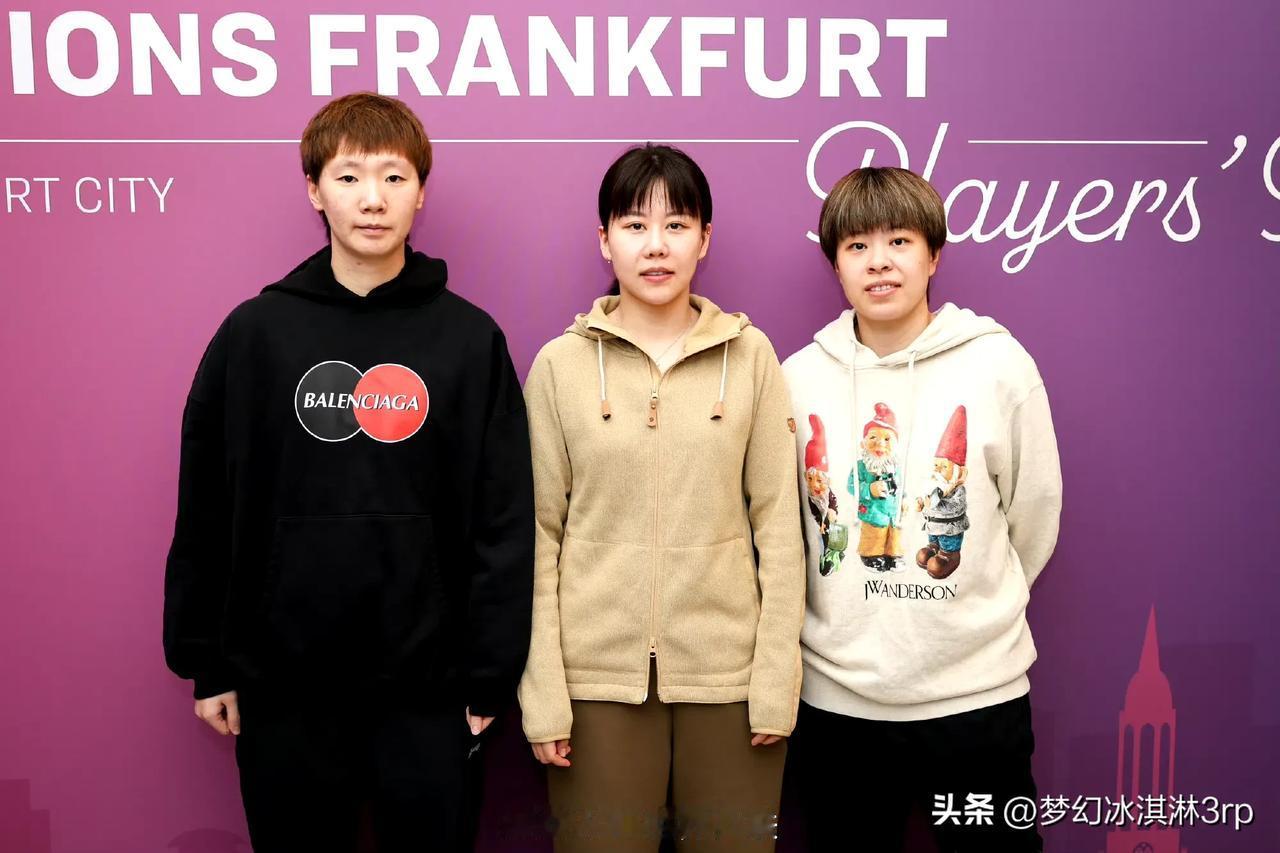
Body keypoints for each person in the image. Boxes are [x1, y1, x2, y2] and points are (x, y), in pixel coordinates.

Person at [162, 92, 534, 852]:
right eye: (349, 176)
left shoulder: (470, 340)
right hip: (283, 682)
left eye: (394, 177)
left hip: (431, 688)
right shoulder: (254, 335)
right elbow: (206, 504)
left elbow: (504, 516)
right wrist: (208, 662)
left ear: (420, 192)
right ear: (314, 190)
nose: (372, 199)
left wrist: (490, 671)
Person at [517, 144, 805, 853]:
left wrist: (776, 680)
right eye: (635, 225)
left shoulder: (752, 357)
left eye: (677, 225)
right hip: (595, 685)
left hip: (731, 683)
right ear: (604, 239)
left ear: (704, 239)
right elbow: (537, 537)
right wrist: (544, 692)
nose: (656, 245)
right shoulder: (559, 366)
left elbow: (779, 528)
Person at [781, 166, 1062, 852]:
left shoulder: (998, 366)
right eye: (857, 246)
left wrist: (967, 603)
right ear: (835, 263)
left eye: (900, 241)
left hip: (976, 702)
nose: (879, 262)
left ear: (933, 255)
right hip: (840, 705)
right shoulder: (796, 378)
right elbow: (789, 527)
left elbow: (1034, 512)